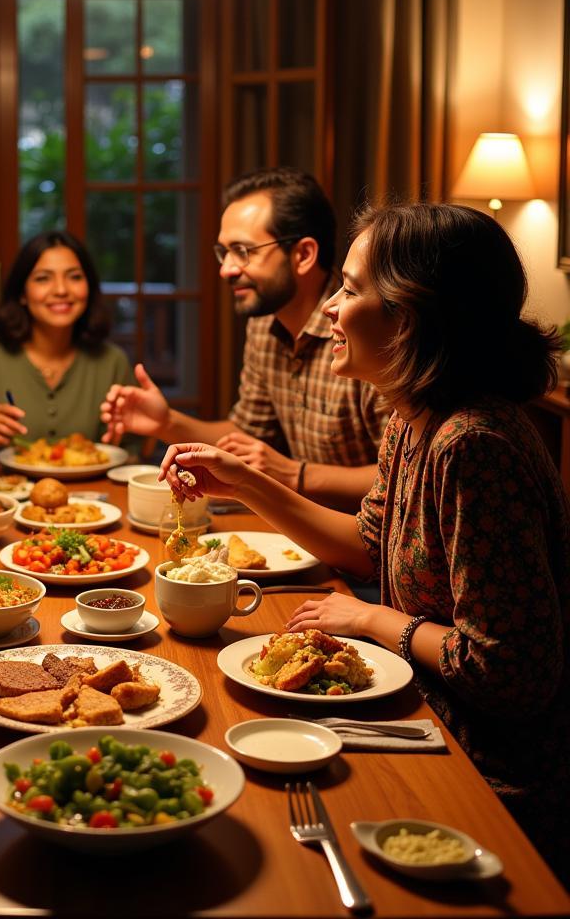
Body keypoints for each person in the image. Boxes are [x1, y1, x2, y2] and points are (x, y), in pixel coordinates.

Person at [160, 202, 570, 884]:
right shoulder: (414, 419)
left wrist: (375, 617)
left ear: (410, 315)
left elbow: (514, 671)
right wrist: (243, 478)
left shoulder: (475, 446)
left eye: (349, 290)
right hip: (416, 716)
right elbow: (366, 543)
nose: (330, 309)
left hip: (488, 779)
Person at [101, 167, 390, 509]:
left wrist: (296, 474)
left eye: (243, 251)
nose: (226, 269)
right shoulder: (264, 325)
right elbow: (246, 437)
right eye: (224, 252)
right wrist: (166, 422)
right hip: (302, 529)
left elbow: (405, 473)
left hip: (372, 539)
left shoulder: (363, 329)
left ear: (303, 255)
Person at [0, 230, 138, 455]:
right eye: (43, 278)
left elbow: (135, 451)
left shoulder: (112, 361)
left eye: (74, 277)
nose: (61, 290)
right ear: (22, 293)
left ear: (89, 288)